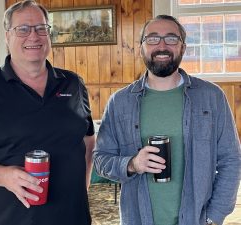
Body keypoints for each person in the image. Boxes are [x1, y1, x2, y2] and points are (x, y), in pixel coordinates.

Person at [0, 1, 95, 225]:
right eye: (22, 29)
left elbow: (88, 140)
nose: (33, 36)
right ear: (7, 36)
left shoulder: (73, 83)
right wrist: (3, 176)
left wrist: (82, 187)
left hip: (74, 218)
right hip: (9, 218)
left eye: (41, 28)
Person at [93, 15, 241, 225]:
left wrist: (214, 217)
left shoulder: (212, 97)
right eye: (152, 39)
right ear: (141, 47)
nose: (162, 45)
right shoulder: (120, 102)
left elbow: (231, 159)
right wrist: (133, 164)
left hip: (197, 219)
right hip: (138, 219)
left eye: (171, 39)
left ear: (183, 47)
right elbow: (101, 160)